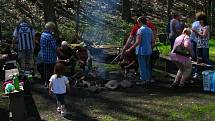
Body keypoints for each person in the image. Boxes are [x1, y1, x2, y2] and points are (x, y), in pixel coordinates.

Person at [126, 16, 154, 85]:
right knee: (147, 65)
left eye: (138, 22)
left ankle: (143, 80)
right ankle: (148, 79)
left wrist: (130, 48)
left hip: (141, 51)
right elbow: (153, 41)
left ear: (140, 22)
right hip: (148, 51)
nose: (138, 23)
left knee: (142, 66)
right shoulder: (150, 30)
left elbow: (138, 42)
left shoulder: (140, 30)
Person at [40, 22, 57, 87]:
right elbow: (54, 47)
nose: (53, 30)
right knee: (50, 71)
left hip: (44, 55)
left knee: (46, 70)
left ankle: (46, 82)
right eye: (53, 28)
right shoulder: (49, 36)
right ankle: (49, 84)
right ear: (50, 28)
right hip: (50, 57)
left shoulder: (43, 34)